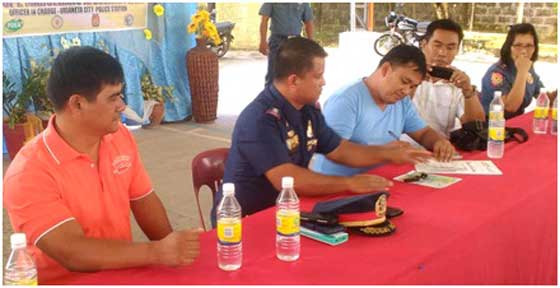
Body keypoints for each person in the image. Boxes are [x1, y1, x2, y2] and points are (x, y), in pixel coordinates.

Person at [3, 46, 202, 283]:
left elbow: (144, 199)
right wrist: (157, 252)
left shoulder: (119, 138)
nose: (122, 105)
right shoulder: (28, 173)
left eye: (121, 95)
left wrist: (175, 250)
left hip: (124, 274)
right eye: (113, 97)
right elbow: (72, 252)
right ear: (77, 104)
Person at [211, 38, 432, 227]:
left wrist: (386, 153)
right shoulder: (259, 118)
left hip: (288, 211)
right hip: (245, 221)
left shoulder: (307, 110)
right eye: (318, 76)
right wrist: (348, 184)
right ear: (294, 80)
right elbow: (287, 179)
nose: (323, 82)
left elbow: (341, 150)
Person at [312, 45, 457, 177]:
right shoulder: (346, 100)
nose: (406, 91)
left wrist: (439, 142)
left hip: (380, 179)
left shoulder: (401, 102)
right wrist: (385, 153)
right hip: (338, 184)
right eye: (404, 82)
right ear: (386, 69)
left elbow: (423, 133)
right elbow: (336, 151)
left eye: (413, 87)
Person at [413, 19, 486, 138]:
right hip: (400, 148)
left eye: (450, 48)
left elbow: (476, 125)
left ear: (457, 50)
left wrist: (468, 91)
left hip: (440, 150)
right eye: (437, 45)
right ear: (424, 44)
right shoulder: (406, 73)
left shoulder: (458, 82)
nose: (442, 53)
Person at [480, 23, 554, 119]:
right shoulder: (496, 73)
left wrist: (553, 97)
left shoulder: (528, 68)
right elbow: (510, 107)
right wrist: (522, 72)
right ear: (509, 47)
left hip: (517, 123)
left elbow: (543, 95)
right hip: (493, 126)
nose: (524, 51)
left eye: (529, 46)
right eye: (518, 45)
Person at [259, 2, 314, 86]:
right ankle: (269, 98)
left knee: (295, 74)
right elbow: (264, 20)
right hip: (277, 41)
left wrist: (311, 44)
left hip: (296, 42)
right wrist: (263, 41)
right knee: (273, 74)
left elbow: (308, 22)